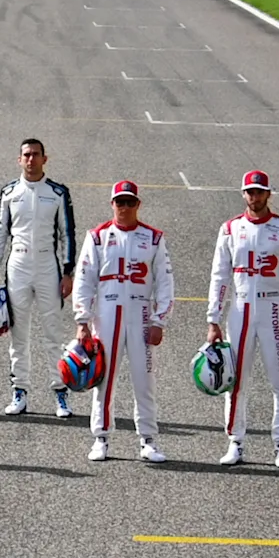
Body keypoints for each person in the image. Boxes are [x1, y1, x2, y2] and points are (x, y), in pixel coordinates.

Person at [204, 171, 279, 467]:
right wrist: (213, 319)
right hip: (239, 309)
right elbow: (219, 275)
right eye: (250, 192)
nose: (254, 197)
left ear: (268, 194)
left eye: (259, 192)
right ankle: (235, 442)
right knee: (236, 382)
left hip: (273, 310)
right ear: (243, 194)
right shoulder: (230, 228)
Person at [73, 180, 174, 463]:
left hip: (141, 315)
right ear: (112, 204)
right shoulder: (97, 236)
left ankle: (148, 440)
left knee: (145, 381)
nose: (125, 207)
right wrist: (82, 321)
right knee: (104, 380)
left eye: (130, 202)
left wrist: (159, 320)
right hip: (106, 314)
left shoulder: (154, 237)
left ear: (138, 204)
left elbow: (165, 282)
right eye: (120, 202)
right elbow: (84, 280)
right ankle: (101, 438)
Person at [0, 137, 79, 416]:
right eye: (26, 155)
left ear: (44, 159)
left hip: (48, 266)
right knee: (19, 334)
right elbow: (0, 232)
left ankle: (60, 393)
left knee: (52, 333)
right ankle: (20, 392)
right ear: (19, 159)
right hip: (18, 265)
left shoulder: (58, 193)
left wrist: (67, 272)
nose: (31, 160)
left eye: (35, 155)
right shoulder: (9, 192)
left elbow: (68, 234)